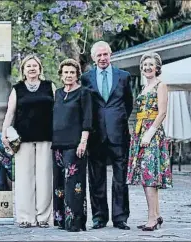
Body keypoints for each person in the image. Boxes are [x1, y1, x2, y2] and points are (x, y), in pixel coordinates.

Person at [81, 41, 133, 230]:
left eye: (105, 54)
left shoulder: (124, 76)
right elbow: (85, 106)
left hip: (118, 133)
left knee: (120, 178)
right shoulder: (85, 78)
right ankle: (99, 217)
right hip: (96, 134)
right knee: (96, 179)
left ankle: (120, 218)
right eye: (99, 56)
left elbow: (128, 104)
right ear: (94, 58)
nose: (103, 58)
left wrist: (117, 121)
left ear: (111, 55)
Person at [1, 54, 54, 228]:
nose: (32, 69)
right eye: (28, 66)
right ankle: (25, 217)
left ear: (40, 68)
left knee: (45, 178)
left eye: (35, 66)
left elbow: (58, 110)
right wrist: (4, 134)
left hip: (47, 138)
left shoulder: (49, 86)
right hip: (22, 140)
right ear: (23, 70)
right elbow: (10, 113)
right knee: (24, 179)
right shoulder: (17, 89)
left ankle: (43, 218)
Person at [126, 52, 172, 231]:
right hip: (140, 131)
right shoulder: (145, 87)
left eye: (150, 65)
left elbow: (162, 112)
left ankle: (152, 218)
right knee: (146, 175)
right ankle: (155, 214)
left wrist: (150, 133)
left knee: (149, 176)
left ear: (157, 68)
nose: (147, 68)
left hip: (151, 133)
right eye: (144, 65)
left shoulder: (161, 85)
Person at [52, 59, 92, 232]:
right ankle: (61, 220)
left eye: (72, 72)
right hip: (57, 144)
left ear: (77, 75)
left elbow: (87, 119)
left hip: (75, 145)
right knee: (59, 183)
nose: (68, 75)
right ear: (61, 75)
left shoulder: (84, 93)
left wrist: (83, 142)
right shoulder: (58, 93)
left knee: (73, 184)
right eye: (65, 72)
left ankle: (74, 222)